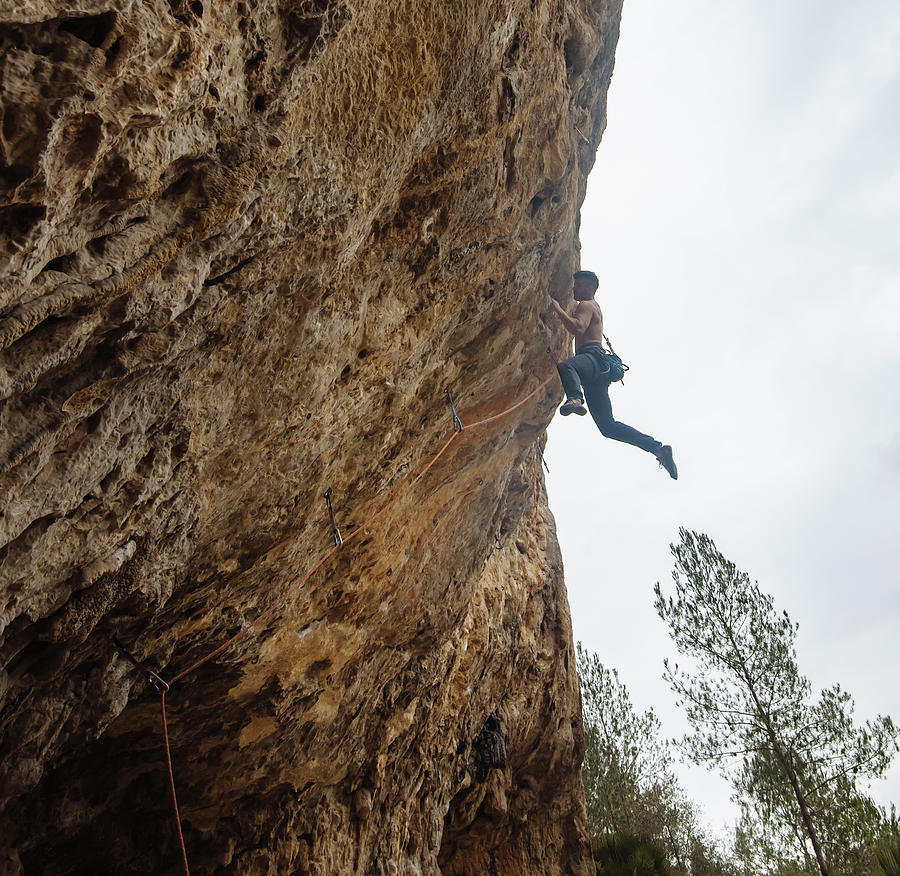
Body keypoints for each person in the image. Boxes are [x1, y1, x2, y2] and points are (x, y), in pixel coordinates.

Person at [550, 270, 678, 479]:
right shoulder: (596, 307)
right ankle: (657, 448)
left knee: (567, 367)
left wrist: (557, 309)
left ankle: (575, 398)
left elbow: (578, 327)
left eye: (579, 285)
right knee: (608, 426)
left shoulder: (587, 305)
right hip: (599, 372)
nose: (575, 288)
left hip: (592, 358)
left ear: (590, 288)